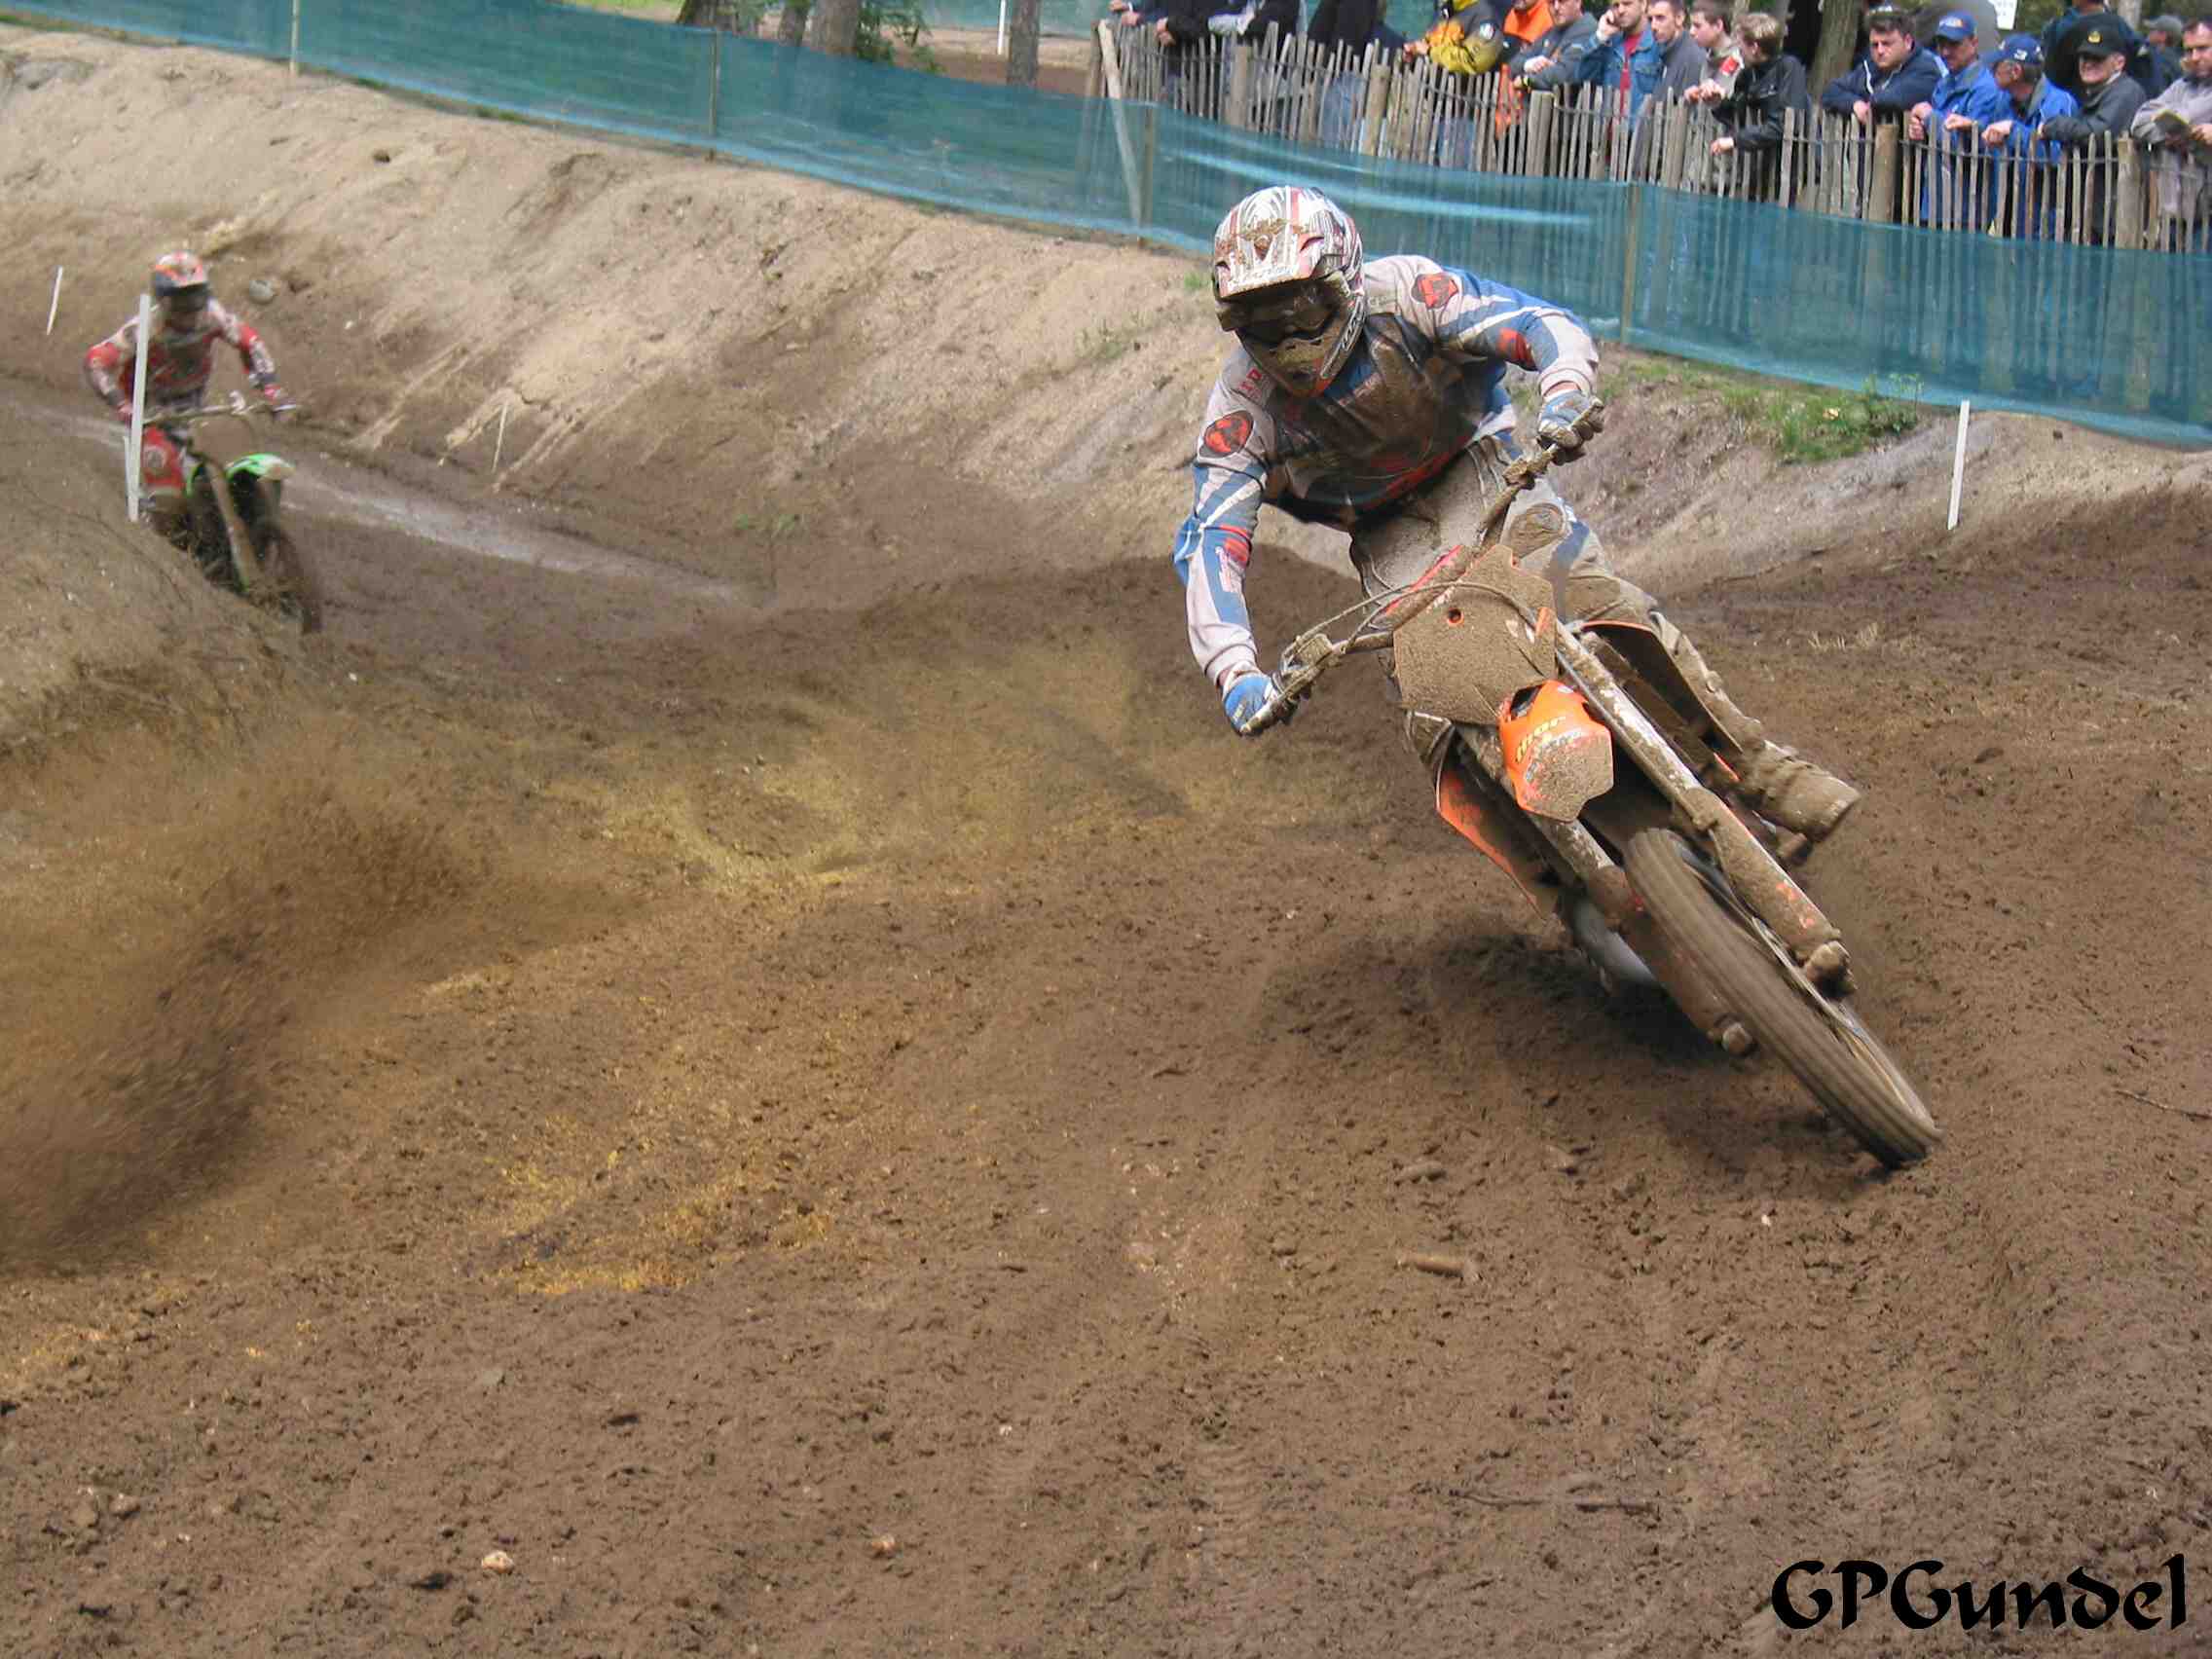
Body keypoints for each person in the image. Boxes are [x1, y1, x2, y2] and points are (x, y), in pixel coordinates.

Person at [1175, 186, 1861, 845]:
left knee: (1592, 600)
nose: (1290, 338)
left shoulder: (1408, 295)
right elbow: (1212, 539)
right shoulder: (1242, 406)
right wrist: (1237, 673)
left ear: (1345, 279)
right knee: (1439, 717)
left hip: (1483, 472)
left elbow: (1539, 324)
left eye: (1302, 311)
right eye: (1264, 322)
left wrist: (1565, 393)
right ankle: (1563, 881)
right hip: (1386, 538)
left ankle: (1755, 766)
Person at [83, 252, 288, 544]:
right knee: (169, 501)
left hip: (198, 407)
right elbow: (95, 361)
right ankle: (172, 546)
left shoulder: (212, 315)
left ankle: (238, 527)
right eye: (182, 299)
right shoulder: (146, 327)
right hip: (152, 415)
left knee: (235, 465)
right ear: (164, 300)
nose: (191, 308)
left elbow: (250, 342)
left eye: (196, 296)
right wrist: (122, 404)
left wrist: (271, 389)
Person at [1908, 11, 2009, 227]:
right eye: (1941, 44)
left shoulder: (1985, 89)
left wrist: (1929, 118)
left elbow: (1973, 146)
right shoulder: (1945, 83)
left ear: (1974, 43)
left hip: (1965, 209)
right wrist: (1919, 128)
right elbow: (1936, 132)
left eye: (1954, 44)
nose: (1945, 51)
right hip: (1934, 200)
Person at [1703, 14, 1810, 195]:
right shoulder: (1747, 75)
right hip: (1757, 173)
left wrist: (1736, 140)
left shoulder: (1789, 69)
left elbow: (1783, 125)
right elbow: (1736, 116)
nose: (1738, 52)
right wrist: (1716, 102)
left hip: (1791, 174)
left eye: (1741, 46)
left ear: (1754, 47)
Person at [2129, 18, 2212, 248]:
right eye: (2189, 50)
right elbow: (2140, 122)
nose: (2194, 57)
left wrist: (2173, 116)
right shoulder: (2181, 87)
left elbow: (2189, 114)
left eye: (2203, 48)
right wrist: (2176, 131)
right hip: (2176, 216)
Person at [1817, 5, 1940, 128]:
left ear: (1907, 42)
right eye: (1875, 45)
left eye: (1887, 44)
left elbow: (1891, 101)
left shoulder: (1926, 69)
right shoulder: (1870, 67)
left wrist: (1867, 102)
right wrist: (1855, 104)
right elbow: (1830, 92)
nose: (1880, 51)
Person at [1516, 0, 1600, 91]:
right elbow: (1515, 61)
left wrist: (1525, 80)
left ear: (1578, 2)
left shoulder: (1590, 32)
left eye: (1562, 1)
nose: (1556, 7)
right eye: (1551, 2)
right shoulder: (1553, 31)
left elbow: (1563, 75)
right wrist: (1529, 64)